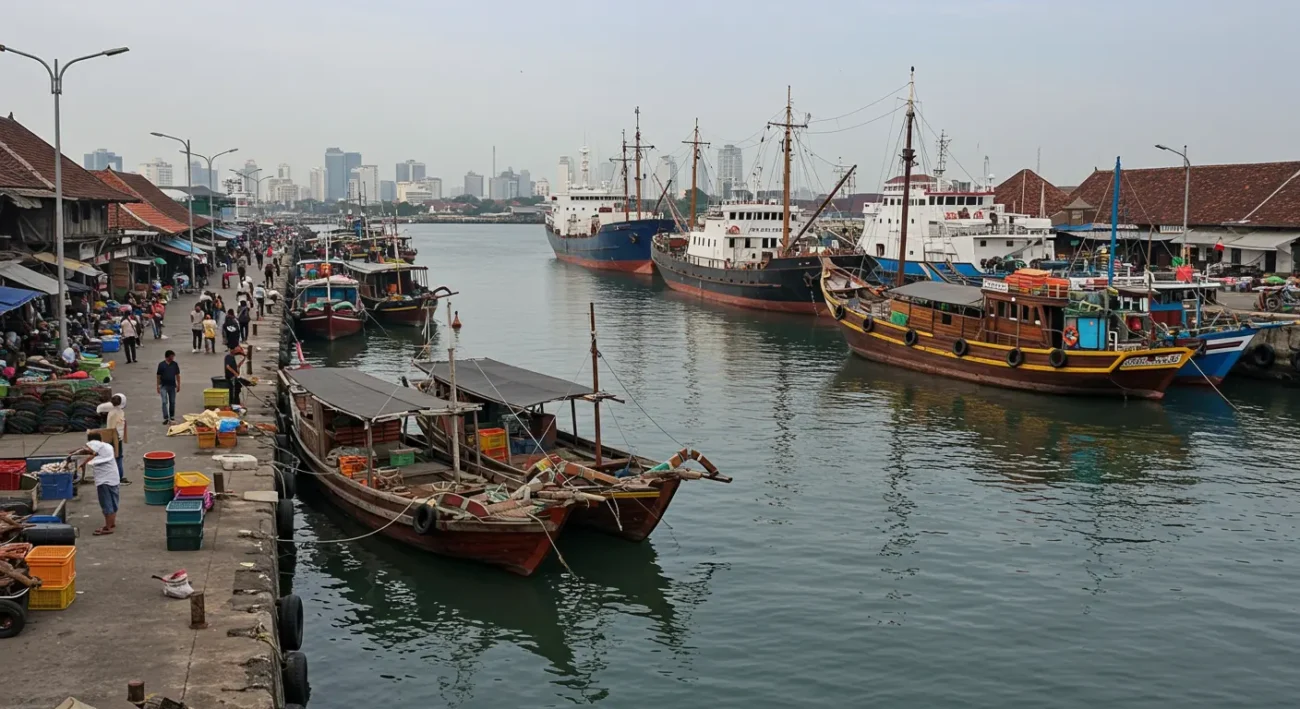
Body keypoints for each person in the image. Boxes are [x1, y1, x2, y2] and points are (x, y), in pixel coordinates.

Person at [72, 432, 120, 535]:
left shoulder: (96, 446)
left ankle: (108, 527)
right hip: (113, 479)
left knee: (106, 503)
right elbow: (89, 453)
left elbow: (89, 452)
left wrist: (76, 459)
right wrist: (75, 454)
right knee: (113, 501)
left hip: (104, 480)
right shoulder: (107, 447)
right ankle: (112, 523)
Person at [95, 394, 129, 485]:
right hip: (116, 438)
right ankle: (119, 477)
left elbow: (100, 408)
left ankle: (115, 476)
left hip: (110, 436)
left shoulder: (111, 412)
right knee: (118, 457)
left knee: (113, 457)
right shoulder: (119, 412)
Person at [156, 349, 180, 425]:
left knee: (172, 402)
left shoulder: (175, 364)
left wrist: (178, 384)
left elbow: (177, 375)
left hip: (172, 386)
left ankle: (172, 416)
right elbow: (158, 376)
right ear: (168, 357)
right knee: (164, 402)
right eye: (172, 356)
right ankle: (166, 417)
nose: (173, 358)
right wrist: (158, 386)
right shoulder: (161, 365)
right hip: (163, 386)